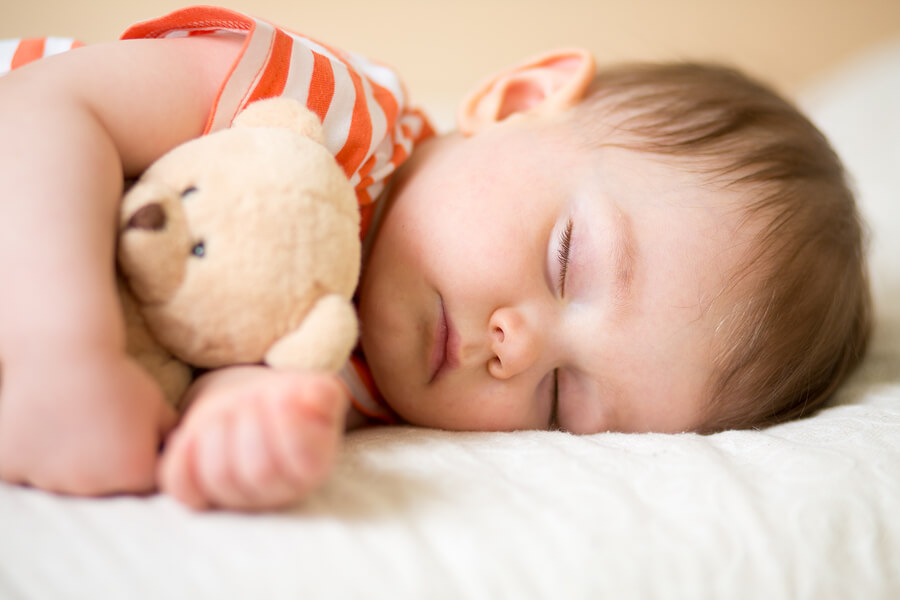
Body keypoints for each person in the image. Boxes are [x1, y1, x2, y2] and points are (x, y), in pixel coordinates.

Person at [0, 7, 870, 511]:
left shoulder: (373, 387)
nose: (515, 349)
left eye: (562, 400)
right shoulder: (326, 111)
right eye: (567, 262)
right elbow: (47, 108)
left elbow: (226, 343)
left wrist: (245, 416)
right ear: (517, 100)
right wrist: (64, 351)